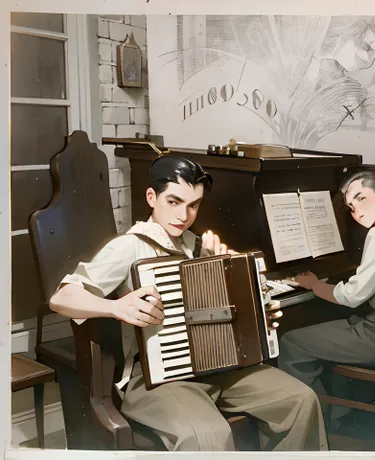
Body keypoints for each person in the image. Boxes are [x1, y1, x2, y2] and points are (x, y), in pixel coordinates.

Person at [49, 155, 328, 452]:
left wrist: (258, 307)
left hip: (220, 368)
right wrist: (116, 307)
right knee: (208, 434)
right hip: (158, 379)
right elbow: (61, 297)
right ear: (151, 197)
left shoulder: (195, 245)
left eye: (193, 205)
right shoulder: (128, 247)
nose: (184, 215)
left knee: (301, 401)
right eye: (174, 202)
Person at [277, 169, 375, 449]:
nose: (356, 210)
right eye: (350, 206)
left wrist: (314, 285)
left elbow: (353, 295)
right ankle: (338, 418)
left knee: (291, 341)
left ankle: (313, 434)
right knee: (318, 334)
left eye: (361, 198)